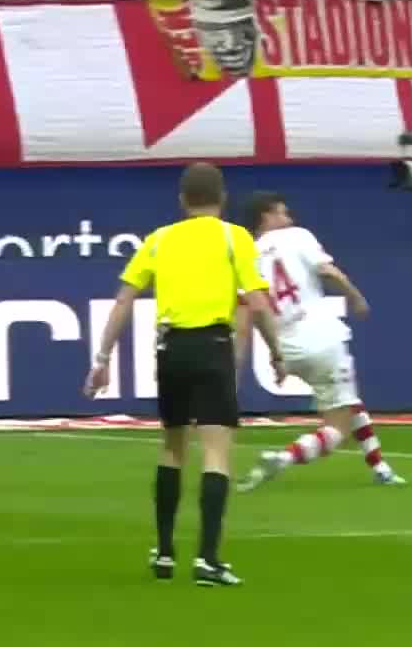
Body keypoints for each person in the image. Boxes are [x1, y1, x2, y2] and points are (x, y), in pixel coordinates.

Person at [85, 163, 285, 587]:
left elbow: (123, 300)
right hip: (213, 346)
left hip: (170, 349)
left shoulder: (159, 239)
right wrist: (277, 352)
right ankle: (208, 559)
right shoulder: (234, 237)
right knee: (216, 452)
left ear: (182, 200)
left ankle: (163, 551)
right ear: (222, 198)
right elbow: (256, 300)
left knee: (172, 448)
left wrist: (102, 359)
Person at [236, 192, 404, 492]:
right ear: (266, 217)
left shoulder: (246, 255)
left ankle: (381, 467)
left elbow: (254, 310)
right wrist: (355, 296)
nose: (289, 219)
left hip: (287, 345)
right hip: (321, 337)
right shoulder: (298, 236)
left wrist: (276, 356)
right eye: (283, 212)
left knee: (347, 399)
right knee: (337, 427)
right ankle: (283, 457)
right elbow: (327, 270)